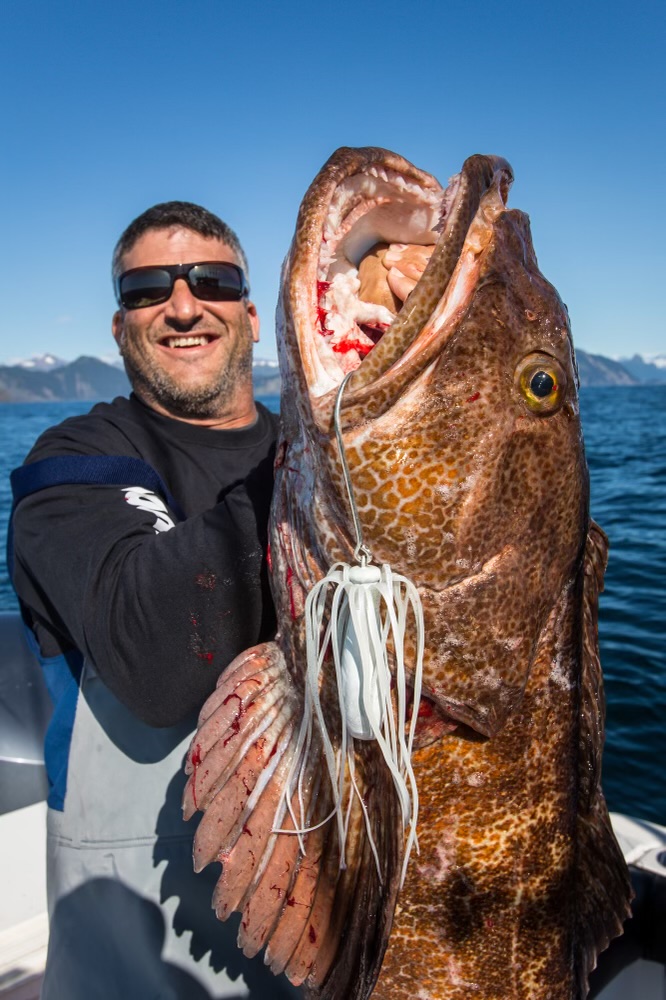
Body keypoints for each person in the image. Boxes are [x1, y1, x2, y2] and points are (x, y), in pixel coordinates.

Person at [9, 202, 301, 999]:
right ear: (118, 326)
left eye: (211, 280)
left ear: (249, 311)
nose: (181, 305)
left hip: (339, 916)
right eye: (147, 289)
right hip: (143, 967)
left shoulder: (307, 452)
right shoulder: (75, 460)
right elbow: (156, 655)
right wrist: (330, 466)